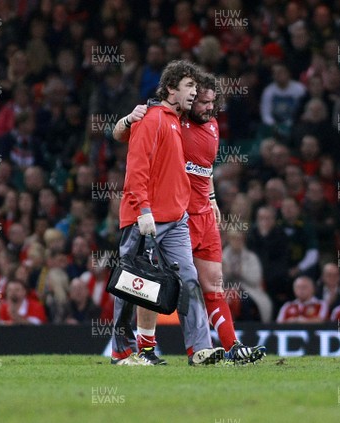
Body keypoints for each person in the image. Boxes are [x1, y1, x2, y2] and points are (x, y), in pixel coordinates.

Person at [113, 72, 265, 364]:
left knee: (198, 281)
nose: (205, 105)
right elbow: (127, 147)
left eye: (210, 101)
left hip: (189, 216)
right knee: (143, 282)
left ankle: (211, 348)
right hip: (156, 214)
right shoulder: (161, 117)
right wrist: (127, 119)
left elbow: (204, 168)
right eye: (196, 95)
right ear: (178, 94)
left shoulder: (209, 126)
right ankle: (137, 349)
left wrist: (211, 198)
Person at [109, 60, 223, 366]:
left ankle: (199, 349)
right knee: (134, 284)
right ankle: (124, 351)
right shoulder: (151, 118)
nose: (194, 93)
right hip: (144, 218)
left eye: (196, 88)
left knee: (188, 280)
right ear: (170, 88)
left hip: (176, 219)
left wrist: (208, 197)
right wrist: (143, 210)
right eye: (188, 86)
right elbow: (136, 167)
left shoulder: (174, 118)